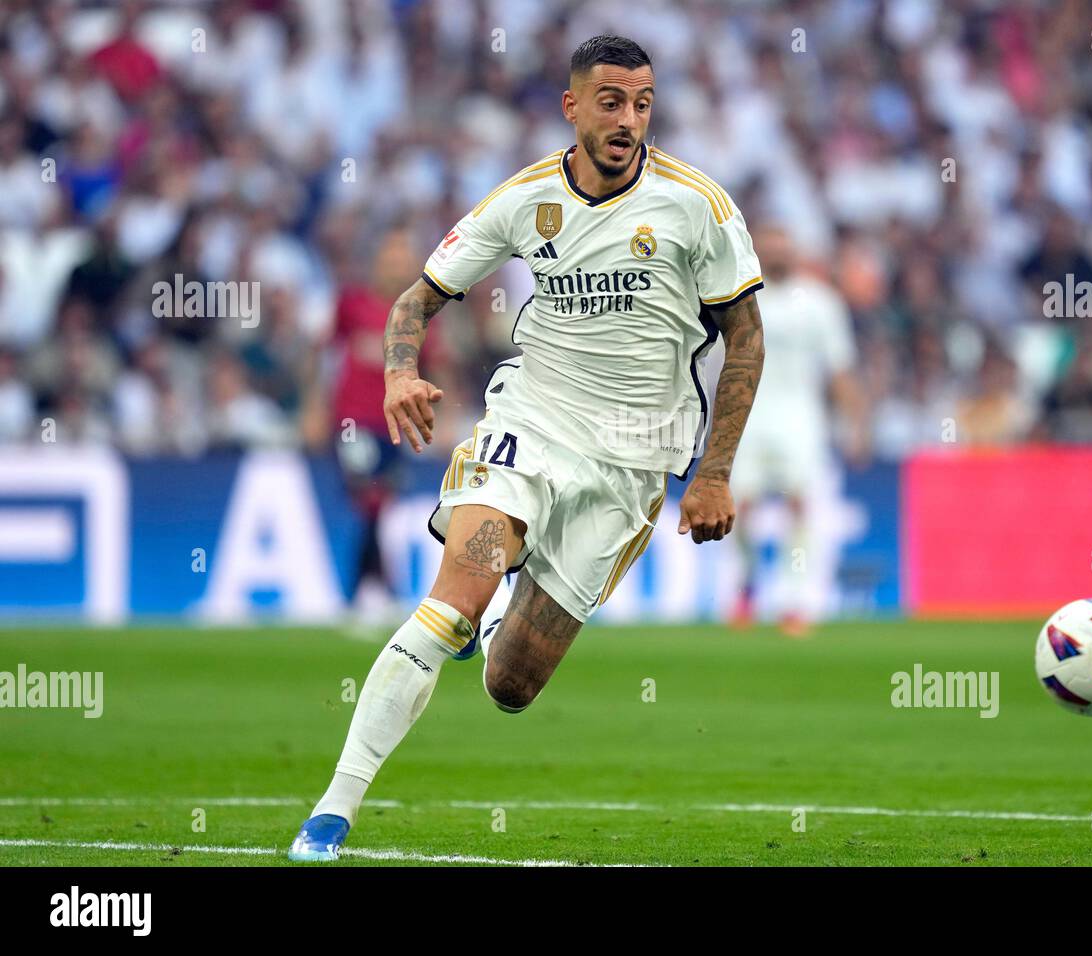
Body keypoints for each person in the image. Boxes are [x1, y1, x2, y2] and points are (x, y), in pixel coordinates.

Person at [289, 35, 765, 861]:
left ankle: (505, 613)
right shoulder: (522, 199)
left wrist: (714, 472)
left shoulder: (699, 206)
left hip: (631, 464)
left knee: (511, 686)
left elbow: (748, 339)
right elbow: (416, 300)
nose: (628, 120)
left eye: (643, 104)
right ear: (572, 106)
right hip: (528, 430)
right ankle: (331, 813)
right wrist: (400, 372)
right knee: (451, 603)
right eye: (611, 102)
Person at [728, 225, 861, 636]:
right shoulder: (739, 298)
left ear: (795, 251)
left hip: (801, 418)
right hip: (748, 416)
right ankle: (748, 584)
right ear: (758, 252)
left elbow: (839, 369)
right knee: (739, 509)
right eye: (770, 247)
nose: (778, 254)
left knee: (799, 507)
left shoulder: (820, 302)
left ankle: (794, 600)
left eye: (784, 246)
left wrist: (856, 422)